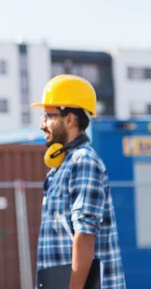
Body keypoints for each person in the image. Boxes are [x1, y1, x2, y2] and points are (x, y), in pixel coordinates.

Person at [31, 74, 126, 289]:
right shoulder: (61, 167)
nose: (41, 125)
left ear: (70, 119)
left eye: (48, 116)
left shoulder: (83, 162)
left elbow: (84, 234)